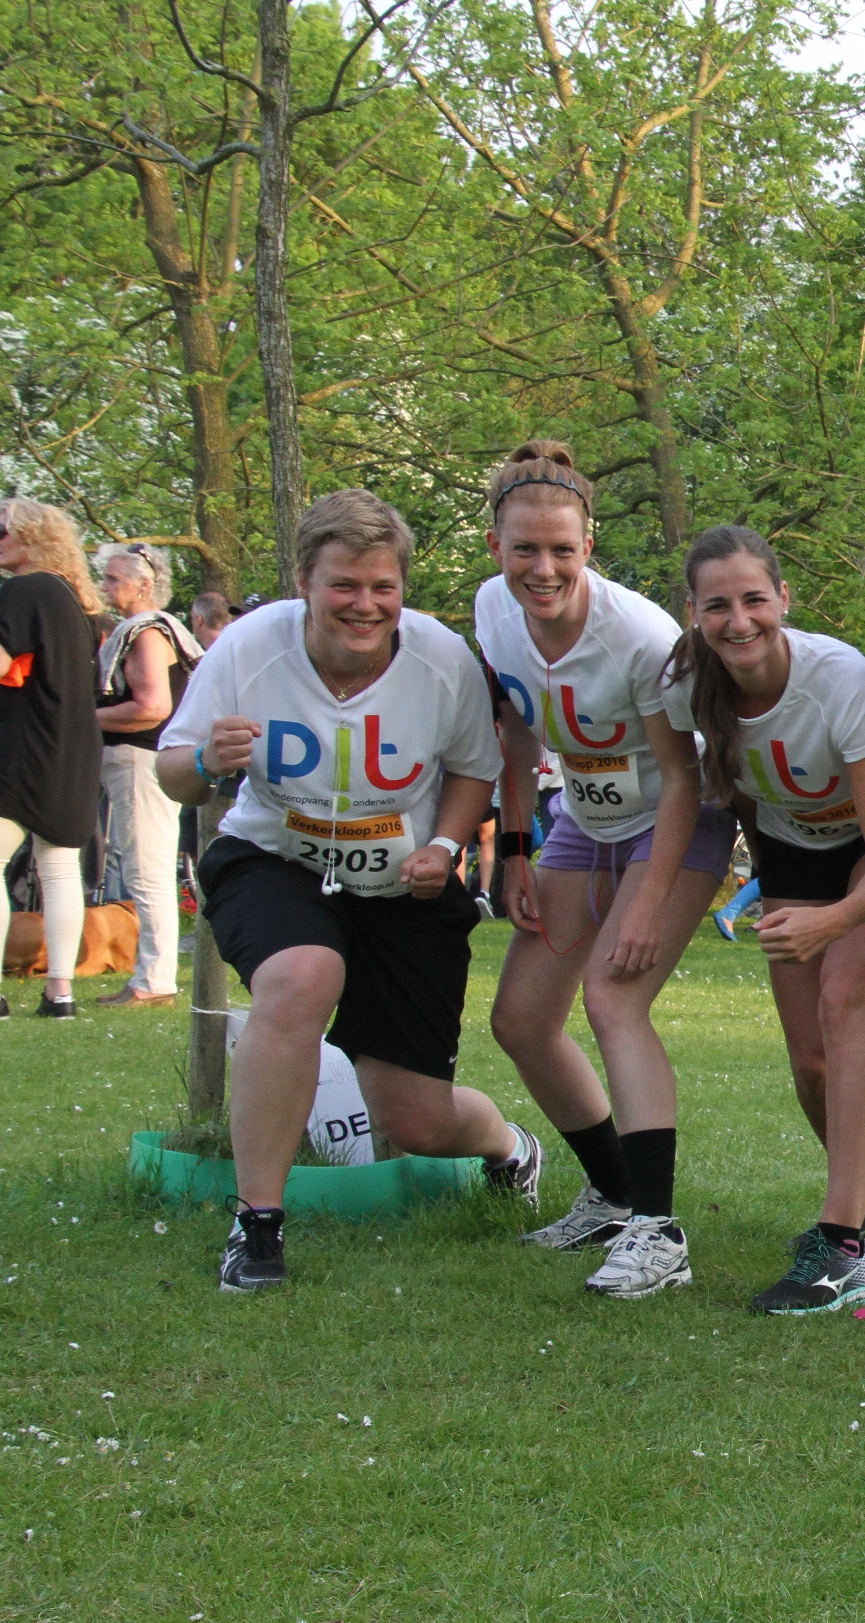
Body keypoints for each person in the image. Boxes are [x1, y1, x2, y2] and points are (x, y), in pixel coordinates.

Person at [157, 488, 543, 1291]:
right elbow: (173, 770)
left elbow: (475, 767)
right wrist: (204, 764)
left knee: (415, 1119)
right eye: (344, 585)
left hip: (404, 878)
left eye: (383, 587)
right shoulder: (248, 648)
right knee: (302, 975)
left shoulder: (439, 658)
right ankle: (257, 1226)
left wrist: (442, 845)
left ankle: (510, 1145)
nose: (364, 606)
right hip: (274, 857)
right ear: (304, 580)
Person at [663, 525, 865, 1315]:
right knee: (810, 1058)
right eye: (717, 605)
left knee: (844, 1001)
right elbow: (711, 793)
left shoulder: (837, 676)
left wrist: (832, 924)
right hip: (794, 849)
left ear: (783, 600)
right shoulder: (685, 683)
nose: (739, 620)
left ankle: (842, 1246)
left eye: (755, 599)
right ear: (693, 612)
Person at [473, 442, 734, 1299]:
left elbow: (686, 777)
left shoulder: (640, 635)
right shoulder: (491, 612)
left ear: (589, 547)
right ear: (495, 548)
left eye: (562, 549)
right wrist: (514, 846)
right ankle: (614, 1192)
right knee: (519, 1019)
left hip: (673, 822)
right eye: (524, 549)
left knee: (615, 997)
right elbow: (515, 734)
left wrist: (649, 901)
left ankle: (660, 1233)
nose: (542, 568)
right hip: (583, 821)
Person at [0, 499, 103, 1022]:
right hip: (74, 751)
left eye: (2, 530)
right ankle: (61, 994)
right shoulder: (76, 602)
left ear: (34, 536)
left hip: (27, 750)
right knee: (58, 868)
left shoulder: (23, 589)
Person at [93, 543, 200, 1007]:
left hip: (141, 761)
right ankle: (152, 974)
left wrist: (80, 718)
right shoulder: (156, 631)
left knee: (147, 869)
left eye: (114, 579)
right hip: (143, 761)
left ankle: (154, 980)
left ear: (143, 585)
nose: (105, 587)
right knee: (146, 866)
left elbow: (153, 705)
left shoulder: (147, 633)